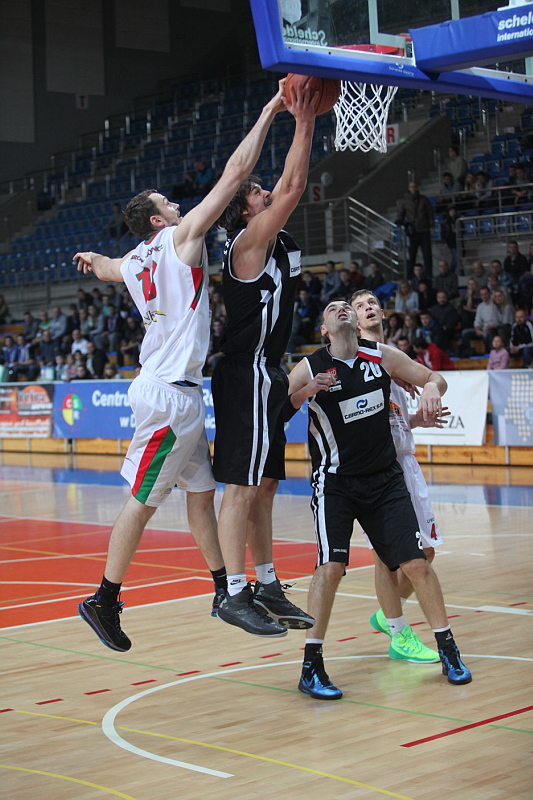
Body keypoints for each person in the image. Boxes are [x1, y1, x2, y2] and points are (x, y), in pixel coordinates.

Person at [74, 80, 291, 652]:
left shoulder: (133, 260)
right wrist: (269, 110)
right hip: (169, 396)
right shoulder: (179, 238)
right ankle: (103, 599)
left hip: (181, 394)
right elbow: (234, 173)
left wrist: (93, 258)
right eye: (166, 203)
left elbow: (109, 268)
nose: (176, 204)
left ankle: (225, 590)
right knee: (143, 501)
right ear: (156, 221)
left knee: (200, 493)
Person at [286, 299, 471, 699]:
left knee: (417, 563)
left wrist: (431, 390)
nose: (342, 308)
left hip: (385, 480)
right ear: (324, 329)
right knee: (330, 568)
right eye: (332, 307)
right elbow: (277, 407)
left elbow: (433, 377)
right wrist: (306, 391)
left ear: (355, 321)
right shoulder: (311, 366)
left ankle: (448, 650)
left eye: (346, 306)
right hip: (335, 483)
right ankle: (311, 666)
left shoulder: (381, 355)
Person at [211, 81, 320, 638]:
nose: (266, 192)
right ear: (245, 211)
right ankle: (234, 592)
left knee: (268, 484)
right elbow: (295, 185)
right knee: (242, 486)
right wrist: (302, 116)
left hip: (269, 372)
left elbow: (286, 185)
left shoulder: (274, 240)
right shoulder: (247, 245)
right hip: (246, 370)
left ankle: (268, 583)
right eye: (256, 191)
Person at [354, 290, 448, 664]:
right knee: (385, 558)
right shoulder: (352, 357)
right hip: (376, 469)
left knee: (427, 551)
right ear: (353, 321)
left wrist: (425, 397)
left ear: (382, 311)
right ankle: (397, 632)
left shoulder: (393, 358)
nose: (368, 307)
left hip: (406, 463)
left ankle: (386, 613)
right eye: (360, 306)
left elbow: (435, 379)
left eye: (372, 302)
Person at [395, 180, 434, 278]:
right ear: (409, 188)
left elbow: (430, 213)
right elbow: (401, 214)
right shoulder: (404, 201)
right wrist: (400, 222)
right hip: (413, 231)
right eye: (411, 187)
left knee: (427, 255)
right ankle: (409, 276)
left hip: (424, 229)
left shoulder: (424, 199)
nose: (413, 188)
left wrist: (431, 226)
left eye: (415, 186)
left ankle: (429, 275)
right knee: (412, 254)